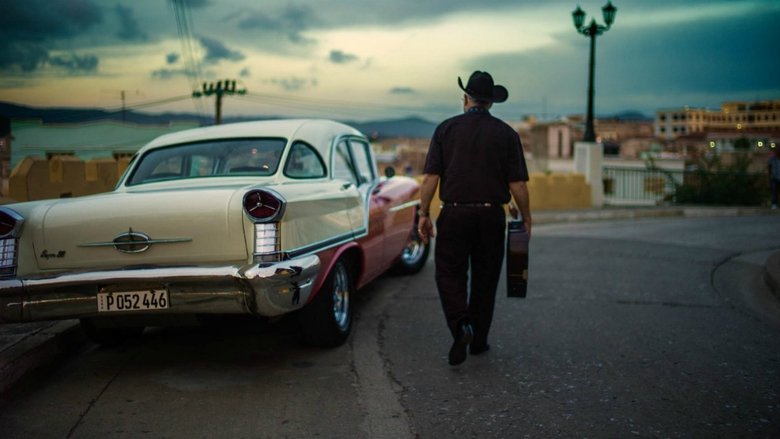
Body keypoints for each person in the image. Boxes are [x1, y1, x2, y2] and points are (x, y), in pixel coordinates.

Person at [417, 71, 532, 366]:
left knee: (449, 274)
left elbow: (430, 177)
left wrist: (423, 213)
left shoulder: (445, 129)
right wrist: (527, 219)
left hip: (453, 212)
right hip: (491, 215)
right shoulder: (507, 134)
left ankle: (461, 326)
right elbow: (518, 184)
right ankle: (478, 341)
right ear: (491, 103)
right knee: (485, 278)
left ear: (465, 98)